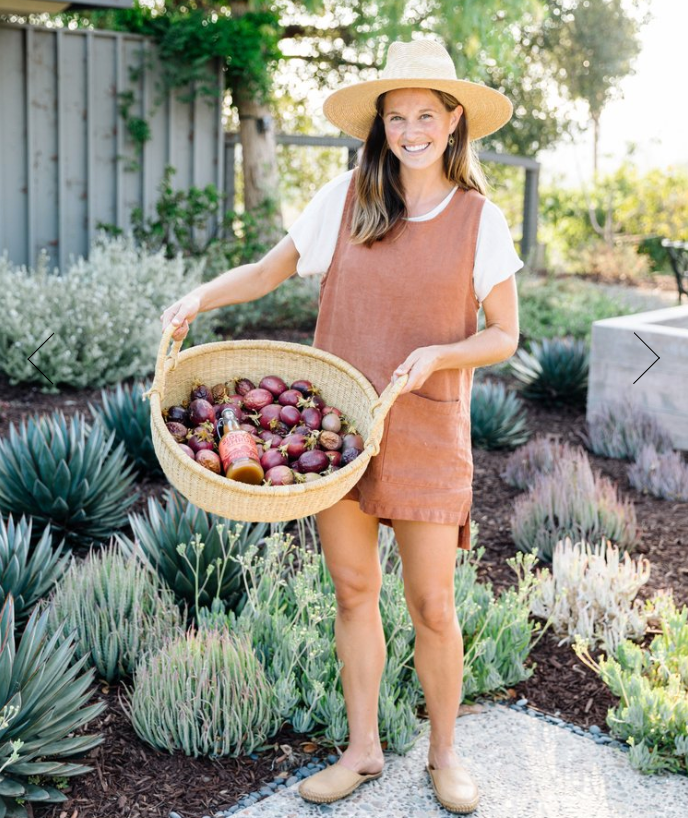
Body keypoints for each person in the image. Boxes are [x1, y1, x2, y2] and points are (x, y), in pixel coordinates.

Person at [160, 37, 521, 815]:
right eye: (398, 117)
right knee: (354, 591)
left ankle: (445, 756)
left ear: (454, 121)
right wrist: (199, 299)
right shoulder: (348, 195)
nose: (412, 129)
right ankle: (362, 752)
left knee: (433, 605)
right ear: (382, 123)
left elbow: (504, 335)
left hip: (427, 427)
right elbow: (267, 272)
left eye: (427, 114)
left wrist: (440, 353)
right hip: (337, 435)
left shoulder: (479, 220)